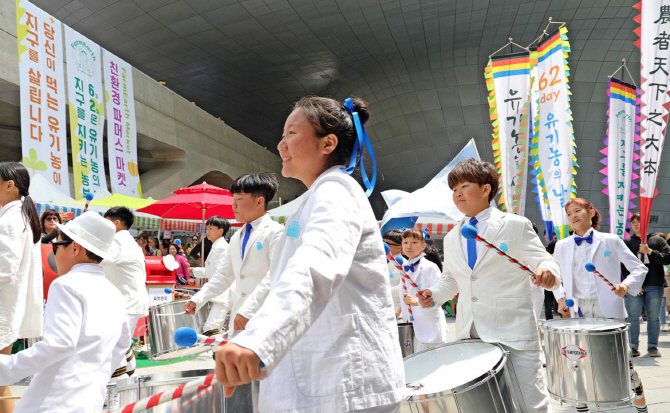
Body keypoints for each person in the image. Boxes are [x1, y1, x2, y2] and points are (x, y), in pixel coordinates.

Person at [213, 96, 404, 412]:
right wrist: (250, 316)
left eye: (291, 133)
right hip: (322, 381)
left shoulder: (336, 192)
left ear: (327, 143)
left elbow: (316, 266)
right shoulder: (311, 201)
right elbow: (280, 276)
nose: (280, 144)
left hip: (345, 386)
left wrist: (259, 340)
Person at [417, 158, 560, 413]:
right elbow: (451, 278)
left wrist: (547, 272)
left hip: (513, 331)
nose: (458, 193)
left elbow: (544, 259)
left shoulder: (515, 225)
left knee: (530, 404)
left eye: (465, 185)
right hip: (470, 334)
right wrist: (433, 295)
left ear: (486, 189)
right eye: (454, 189)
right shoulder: (452, 237)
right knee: (484, 406)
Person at [0, 211, 130, 412]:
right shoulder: (113, 292)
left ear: (75, 248)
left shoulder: (65, 285)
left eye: (56, 245)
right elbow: (121, 346)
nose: (53, 253)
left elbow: (60, 344)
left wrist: (5, 367)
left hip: (54, 402)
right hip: (90, 400)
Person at [552, 198, 648, 413]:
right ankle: (582, 407)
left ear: (591, 212)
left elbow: (639, 269)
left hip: (609, 309)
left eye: (578, 211)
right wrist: (560, 297)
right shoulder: (562, 245)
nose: (573, 217)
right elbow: (556, 275)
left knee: (622, 362)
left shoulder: (611, 240)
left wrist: (625, 285)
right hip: (578, 310)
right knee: (577, 361)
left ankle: (640, 401)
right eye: (569, 214)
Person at [184, 173, 283, 333]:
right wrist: (198, 299)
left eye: (239, 199)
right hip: (239, 317)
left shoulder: (276, 232)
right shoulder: (237, 236)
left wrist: (249, 309)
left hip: (265, 316)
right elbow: (224, 275)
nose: (234, 205)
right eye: (233, 200)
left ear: (259, 201)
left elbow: (275, 275)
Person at [0, 162, 43, 413]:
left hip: (4, 308)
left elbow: (5, 270)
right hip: (8, 309)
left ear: (9, 185)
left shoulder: (11, 220)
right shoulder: (20, 217)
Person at [102, 206, 149, 378]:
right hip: (127, 300)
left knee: (113, 349)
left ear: (116, 223)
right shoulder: (124, 240)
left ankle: (117, 393)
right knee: (118, 344)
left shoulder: (119, 240)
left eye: (105, 222)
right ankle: (125, 384)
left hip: (126, 302)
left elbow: (102, 260)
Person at [623, 213, 670, 358]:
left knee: (653, 317)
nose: (636, 224)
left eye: (639, 221)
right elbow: (623, 265)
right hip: (634, 287)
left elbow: (667, 258)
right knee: (633, 316)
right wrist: (632, 284)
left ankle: (652, 347)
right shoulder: (627, 242)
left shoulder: (657, 240)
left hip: (654, 284)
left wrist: (650, 251)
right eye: (633, 222)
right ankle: (633, 346)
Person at [398, 227, 448, 351]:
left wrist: (417, 302)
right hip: (411, 325)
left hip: (429, 326)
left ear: (423, 245)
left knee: (431, 364)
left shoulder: (430, 267)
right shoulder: (404, 267)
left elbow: (439, 294)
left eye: (414, 242)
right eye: (405, 242)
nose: (409, 246)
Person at [187, 216, 231, 336]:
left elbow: (220, 274)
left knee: (211, 328)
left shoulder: (222, 248)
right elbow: (211, 271)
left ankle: (221, 354)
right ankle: (218, 354)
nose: (208, 231)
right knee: (210, 329)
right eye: (207, 228)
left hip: (222, 293)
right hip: (216, 292)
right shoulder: (215, 246)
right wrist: (195, 271)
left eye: (211, 228)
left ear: (220, 231)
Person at [383, 229, 403, 319]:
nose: (383, 246)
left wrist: (383, 291)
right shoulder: (380, 261)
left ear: (399, 248)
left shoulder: (403, 263)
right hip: (382, 308)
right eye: (382, 242)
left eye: (388, 244)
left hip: (396, 310)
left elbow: (404, 288)